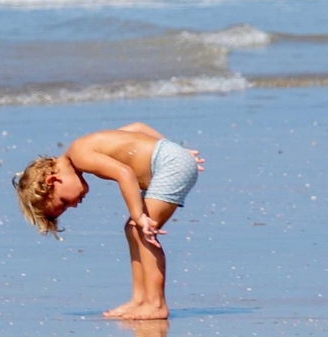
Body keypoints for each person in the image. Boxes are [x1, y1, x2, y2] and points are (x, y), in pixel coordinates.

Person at [13, 122, 204, 320]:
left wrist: (138, 215)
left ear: (52, 181)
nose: (73, 206)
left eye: (63, 202)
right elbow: (137, 128)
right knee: (132, 230)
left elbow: (125, 173)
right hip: (170, 161)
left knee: (139, 230)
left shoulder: (79, 155)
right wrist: (174, 149)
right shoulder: (83, 148)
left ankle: (156, 304)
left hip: (170, 166)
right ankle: (140, 300)